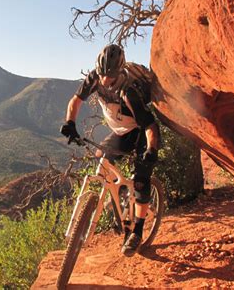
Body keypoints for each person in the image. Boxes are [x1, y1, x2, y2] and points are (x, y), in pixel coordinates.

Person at [60, 44, 160, 256]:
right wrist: (70, 123)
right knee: (102, 161)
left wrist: (151, 150)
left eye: (110, 76)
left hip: (138, 131)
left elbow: (150, 125)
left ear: (119, 71)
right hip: (120, 131)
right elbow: (76, 100)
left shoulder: (128, 91)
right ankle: (119, 194)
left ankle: (138, 231)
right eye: (103, 74)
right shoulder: (95, 77)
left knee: (141, 179)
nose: (105, 80)